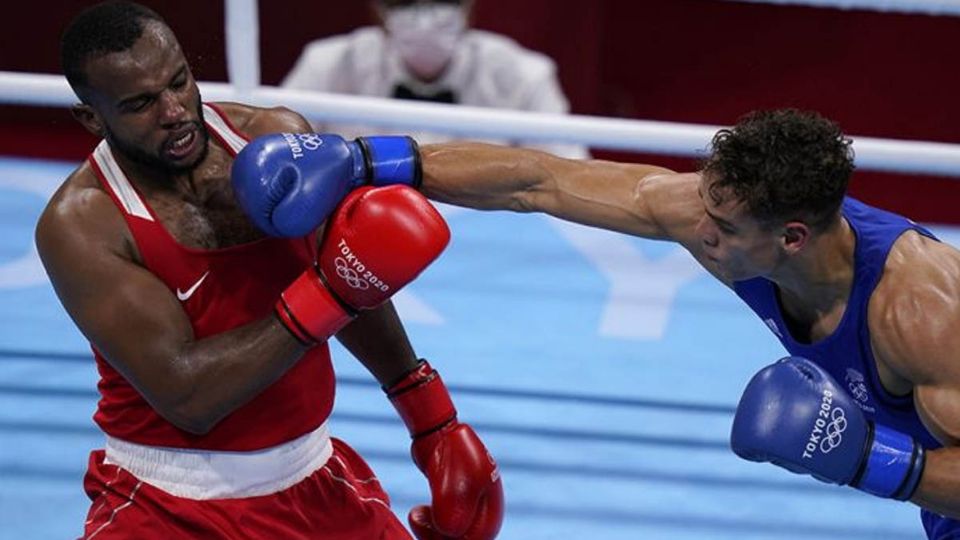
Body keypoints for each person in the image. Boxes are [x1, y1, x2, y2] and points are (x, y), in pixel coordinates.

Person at [231, 110, 960, 539]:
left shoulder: (920, 313)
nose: (696, 230)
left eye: (723, 225)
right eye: (705, 203)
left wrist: (873, 463)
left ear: (792, 237)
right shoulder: (724, 222)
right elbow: (536, 180)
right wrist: (370, 162)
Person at [36, 2, 503, 539]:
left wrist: (432, 421)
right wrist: (331, 292)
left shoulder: (273, 140)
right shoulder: (84, 223)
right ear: (92, 117)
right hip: (167, 505)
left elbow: (352, 275)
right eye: (141, 103)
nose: (175, 112)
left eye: (180, 81)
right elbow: (189, 396)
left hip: (311, 477)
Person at [281, 0, 589, 159]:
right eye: (405, 2)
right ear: (377, 9)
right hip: (356, 244)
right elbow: (273, 155)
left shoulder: (525, 75)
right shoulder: (327, 65)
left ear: (470, 6)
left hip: (493, 250)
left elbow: (570, 172)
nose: (424, 19)